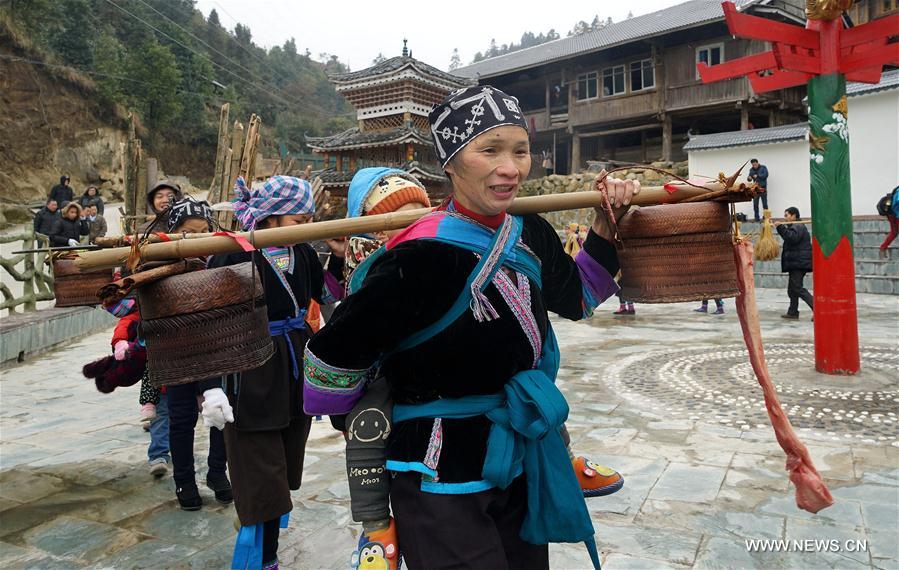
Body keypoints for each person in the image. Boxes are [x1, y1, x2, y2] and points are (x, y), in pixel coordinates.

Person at [304, 85, 635, 570]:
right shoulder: (415, 258)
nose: (511, 168)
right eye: (490, 150)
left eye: (520, 151)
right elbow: (330, 361)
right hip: (437, 470)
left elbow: (579, 295)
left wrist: (606, 227)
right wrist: (372, 414)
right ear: (452, 163)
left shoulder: (528, 229)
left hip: (520, 457)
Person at [201, 175, 345, 569]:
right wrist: (211, 386)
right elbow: (211, 324)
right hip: (250, 367)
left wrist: (339, 255)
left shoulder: (304, 253)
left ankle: (266, 521)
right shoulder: (233, 255)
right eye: (301, 216)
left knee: (284, 462)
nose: (308, 221)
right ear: (273, 216)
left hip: (293, 366)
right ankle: (263, 557)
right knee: (258, 470)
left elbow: (327, 296)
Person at [162, 197, 232, 511]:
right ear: (173, 231)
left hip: (214, 347)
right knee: (181, 418)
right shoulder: (157, 260)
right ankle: (184, 480)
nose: (198, 238)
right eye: (189, 232)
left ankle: (217, 472)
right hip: (175, 350)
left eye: (205, 231)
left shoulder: (218, 258)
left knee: (220, 413)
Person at [775, 207, 813, 320]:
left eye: (786, 215)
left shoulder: (798, 226)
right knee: (792, 289)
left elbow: (792, 238)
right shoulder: (794, 227)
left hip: (799, 263)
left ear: (794, 215)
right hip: (796, 262)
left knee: (797, 288)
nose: (785, 218)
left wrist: (780, 227)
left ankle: (817, 307)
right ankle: (793, 312)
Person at [877, 185, 899, 256]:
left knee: (894, 232)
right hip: (895, 215)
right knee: (894, 232)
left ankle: (882, 248)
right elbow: (897, 202)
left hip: (892, 214)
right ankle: (882, 248)